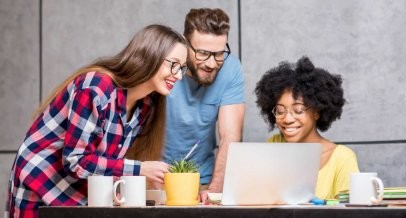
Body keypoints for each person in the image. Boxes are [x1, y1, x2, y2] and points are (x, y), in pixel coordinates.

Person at [6, 24, 188, 218]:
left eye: (182, 68)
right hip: (39, 182)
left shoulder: (147, 105)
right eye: (173, 64)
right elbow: (76, 161)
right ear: (151, 55)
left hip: (80, 191)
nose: (178, 75)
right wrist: (139, 169)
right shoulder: (96, 88)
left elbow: (105, 163)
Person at [162, 8, 245, 202]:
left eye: (218, 54)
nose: (211, 63)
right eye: (202, 53)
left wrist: (215, 191)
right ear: (184, 43)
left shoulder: (231, 68)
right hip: (154, 179)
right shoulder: (164, 63)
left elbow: (230, 136)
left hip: (204, 182)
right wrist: (150, 182)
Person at [254, 56, 359, 200]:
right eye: (280, 111)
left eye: (298, 110)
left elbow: (350, 213)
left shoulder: (342, 159)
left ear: (317, 112)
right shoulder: (274, 144)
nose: (287, 119)